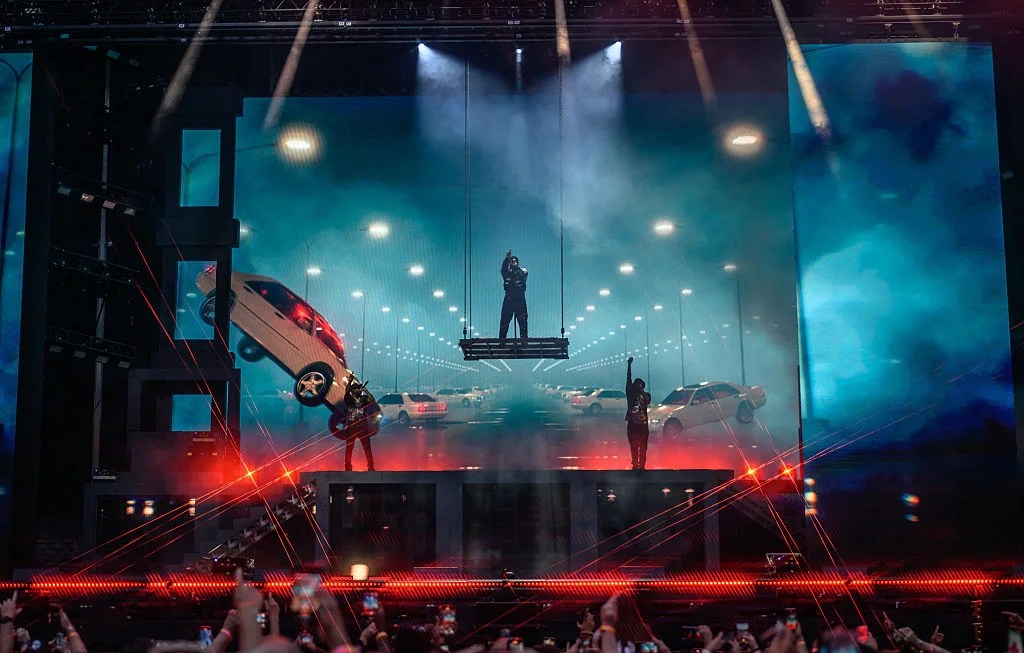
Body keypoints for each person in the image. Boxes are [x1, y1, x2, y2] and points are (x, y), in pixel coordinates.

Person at [329, 380, 380, 472]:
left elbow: (372, 400)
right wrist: (350, 382)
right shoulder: (350, 400)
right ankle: (348, 468)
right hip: (352, 428)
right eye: (355, 390)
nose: (357, 391)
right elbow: (346, 393)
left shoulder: (363, 399)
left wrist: (366, 391)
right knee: (349, 449)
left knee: (367, 449)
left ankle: (371, 467)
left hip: (363, 428)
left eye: (358, 390)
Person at [625, 356, 652, 471]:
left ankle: (641, 465)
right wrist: (629, 366)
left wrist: (640, 390)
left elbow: (647, 400)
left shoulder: (645, 395)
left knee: (641, 446)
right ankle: (636, 465)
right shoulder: (630, 393)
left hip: (641, 425)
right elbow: (628, 379)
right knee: (634, 445)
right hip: (634, 424)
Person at [499, 249, 528, 339]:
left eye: (514, 261)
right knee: (504, 321)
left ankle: (524, 340)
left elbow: (523, 275)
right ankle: (502, 340)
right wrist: (506, 259)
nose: (513, 262)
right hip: (509, 299)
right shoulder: (507, 273)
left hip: (520, 299)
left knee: (523, 322)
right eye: (511, 261)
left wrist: (515, 268)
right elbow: (503, 270)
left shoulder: (522, 271)